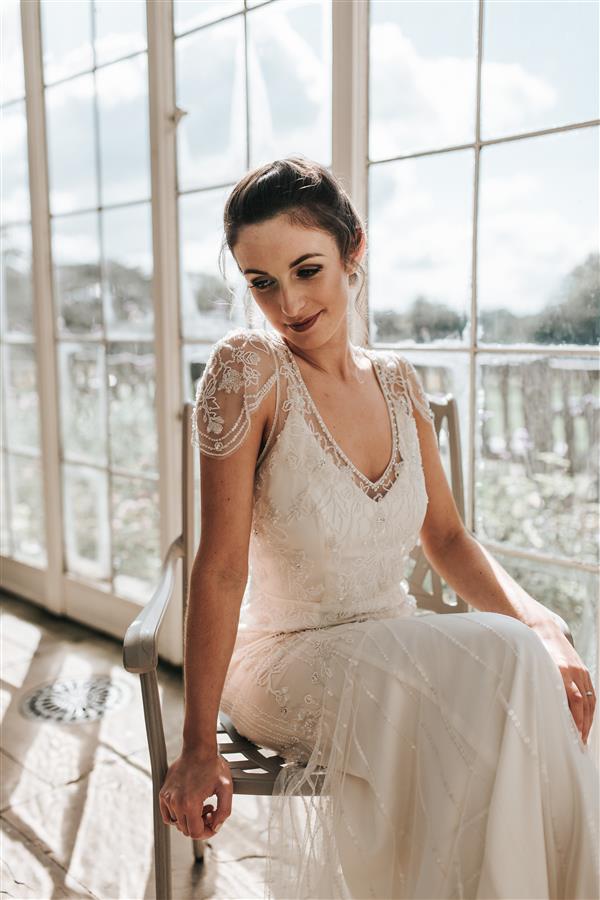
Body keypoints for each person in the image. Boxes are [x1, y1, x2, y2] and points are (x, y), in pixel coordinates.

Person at [158, 156, 599, 899]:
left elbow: (449, 538)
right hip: (287, 659)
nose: (289, 303)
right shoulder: (248, 369)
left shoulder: (397, 380)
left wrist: (543, 624)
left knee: (524, 663)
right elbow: (221, 567)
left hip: (392, 641)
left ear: (353, 248)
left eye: (307, 269)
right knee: (503, 663)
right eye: (261, 283)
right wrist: (198, 741)